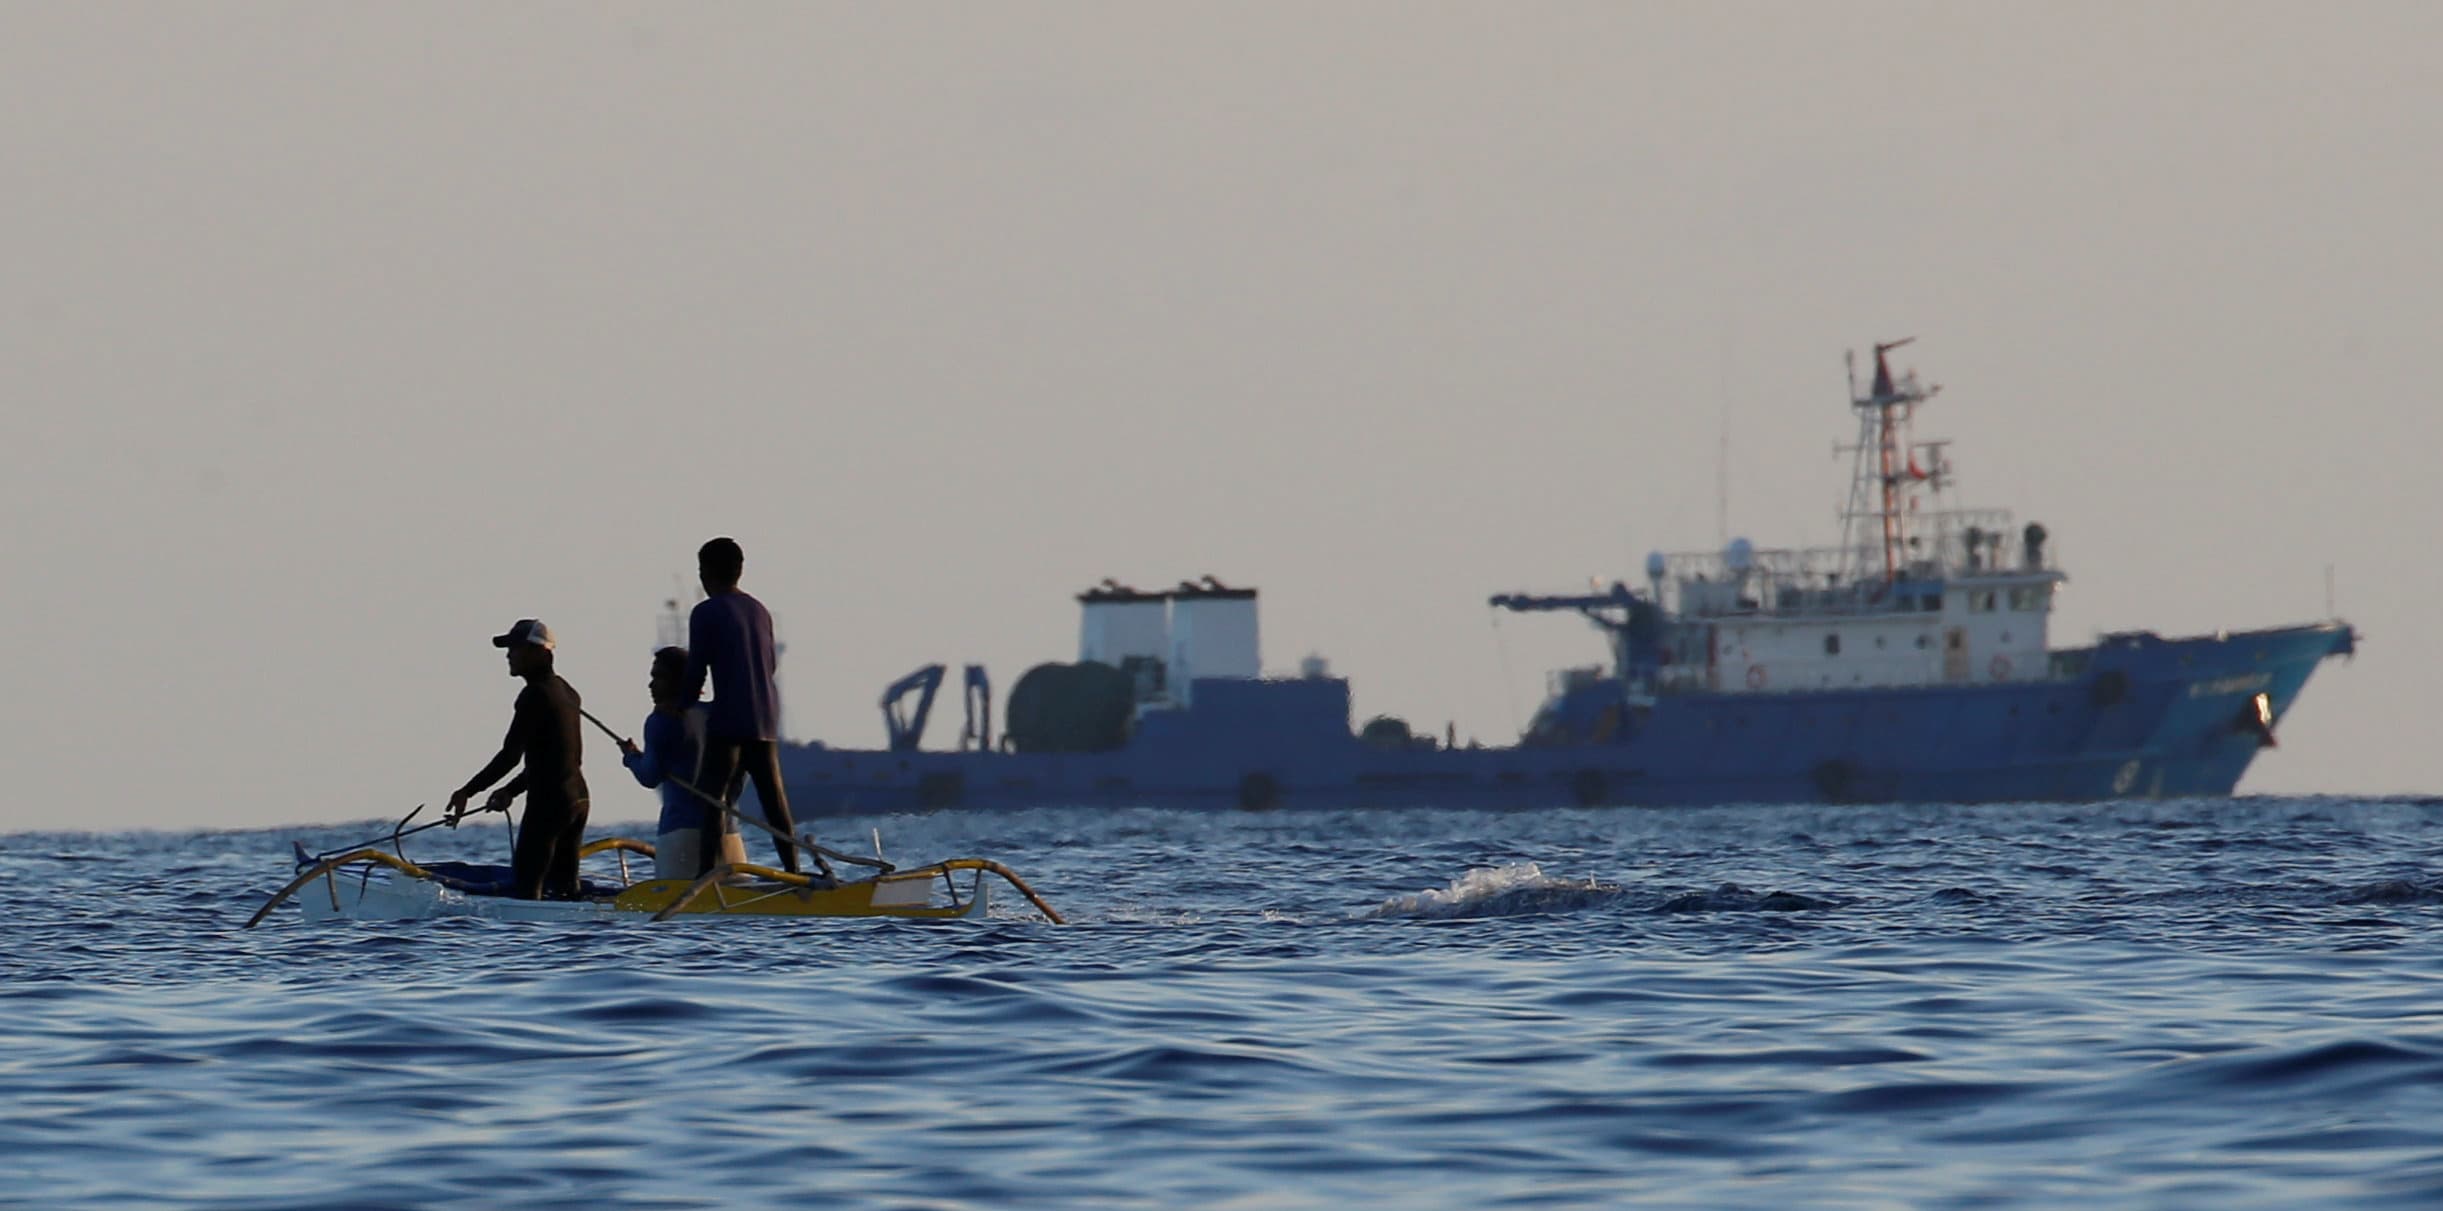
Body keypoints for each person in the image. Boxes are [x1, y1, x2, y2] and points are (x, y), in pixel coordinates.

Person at [684, 537, 805, 876]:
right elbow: (769, 665)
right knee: (775, 803)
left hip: (729, 720)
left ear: (706, 572)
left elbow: (696, 669)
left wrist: (682, 705)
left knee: (712, 799)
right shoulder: (759, 610)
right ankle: (793, 872)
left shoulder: (706, 612)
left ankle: (705, 877)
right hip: (766, 718)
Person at [448, 619, 591, 900]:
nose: (508, 655)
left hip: (550, 804)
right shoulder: (567, 691)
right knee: (566, 891)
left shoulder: (534, 695)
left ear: (538, 652)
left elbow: (510, 756)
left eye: (515, 648)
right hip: (578, 799)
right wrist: (510, 791)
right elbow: (564, 759)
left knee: (527, 889)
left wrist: (468, 790)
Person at [618, 646, 746, 880]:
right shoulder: (719, 715)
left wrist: (631, 758)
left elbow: (650, 776)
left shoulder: (660, 721)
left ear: (678, 681)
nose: (651, 685)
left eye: (659, 677)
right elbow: (739, 775)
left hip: (680, 835)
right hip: (729, 834)